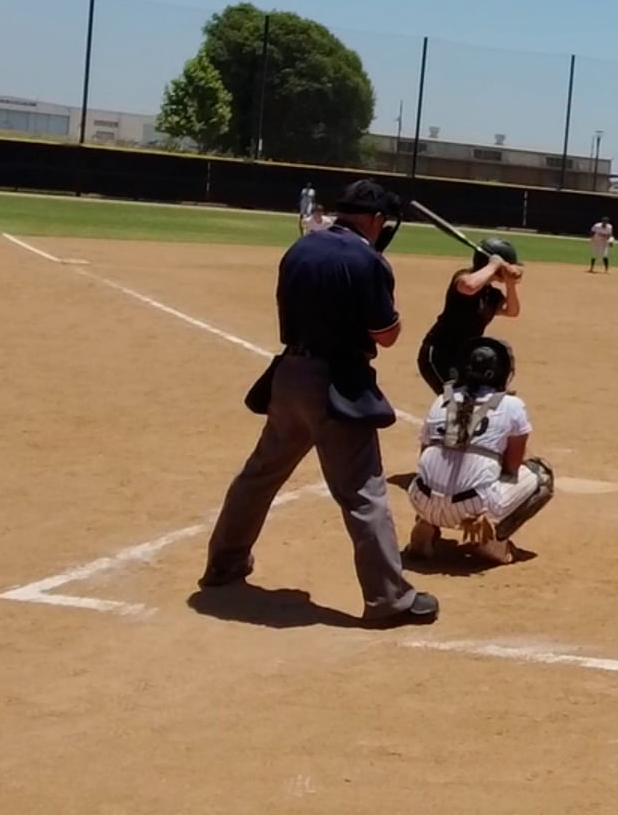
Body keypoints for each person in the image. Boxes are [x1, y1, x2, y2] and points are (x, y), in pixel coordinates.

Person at [198, 179, 437, 627]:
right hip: (337, 384)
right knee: (364, 493)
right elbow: (385, 334)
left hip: (288, 376)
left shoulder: (301, 248)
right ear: (375, 220)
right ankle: (389, 599)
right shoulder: (368, 261)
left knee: (258, 476)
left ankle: (224, 563)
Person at [404, 337, 555, 565]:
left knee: (435, 467)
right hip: (472, 507)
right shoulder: (512, 406)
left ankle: (426, 524)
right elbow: (511, 468)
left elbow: (423, 455)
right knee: (541, 474)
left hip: (421, 500)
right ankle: (494, 540)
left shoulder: (442, 400)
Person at [417, 238, 523, 395]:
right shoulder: (463, 277)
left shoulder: (492, 294)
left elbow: (512, 311)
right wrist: (494, 265)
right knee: (454, 399)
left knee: (473, 398)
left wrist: (510, 283)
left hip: (465, 356)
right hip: (440, 353)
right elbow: (469, 287)